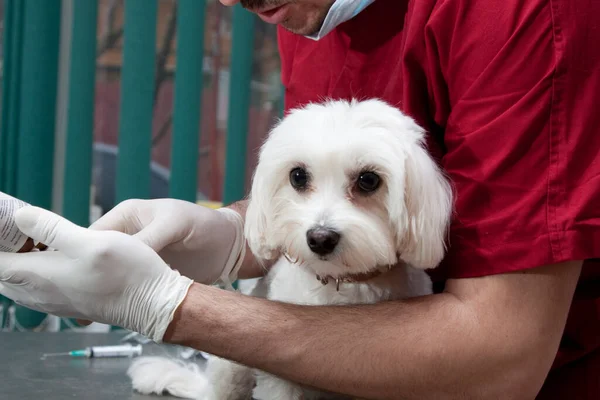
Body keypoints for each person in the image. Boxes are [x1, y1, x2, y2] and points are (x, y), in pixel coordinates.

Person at [0, 0, 598, 398]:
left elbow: (504, 354)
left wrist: (171, 310)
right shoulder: (305, 14)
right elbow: (320, 209)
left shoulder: (525, 16)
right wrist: (229, 237)